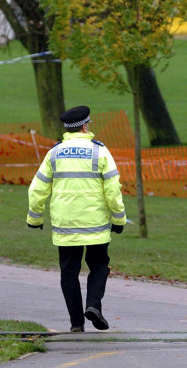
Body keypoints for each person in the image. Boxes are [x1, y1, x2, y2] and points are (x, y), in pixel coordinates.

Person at [26, 106, 126, 332]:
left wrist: (35, 218)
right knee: (99, 266)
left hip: (65, 225)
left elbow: (37, 188)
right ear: (84, 126)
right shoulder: (99, 152)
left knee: (69, 272)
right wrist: (118, 220)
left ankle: (76, 324)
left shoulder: (54, 153)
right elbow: (113, 190)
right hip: (96, 225)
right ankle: (93, 305)